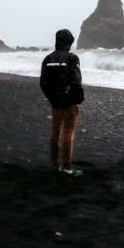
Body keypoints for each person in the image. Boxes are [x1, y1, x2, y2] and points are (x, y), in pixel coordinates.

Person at [39, 29, 85, 174]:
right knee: (68, 132)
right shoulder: (72, 58)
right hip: (69, 101)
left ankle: (54, 163)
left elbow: (43, 82)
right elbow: (76, 80)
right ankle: (66, 167)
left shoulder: (48, 59)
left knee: (55, 131)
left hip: (55, 101)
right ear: (69, 43)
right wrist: (78, 98)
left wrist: (51, 98)